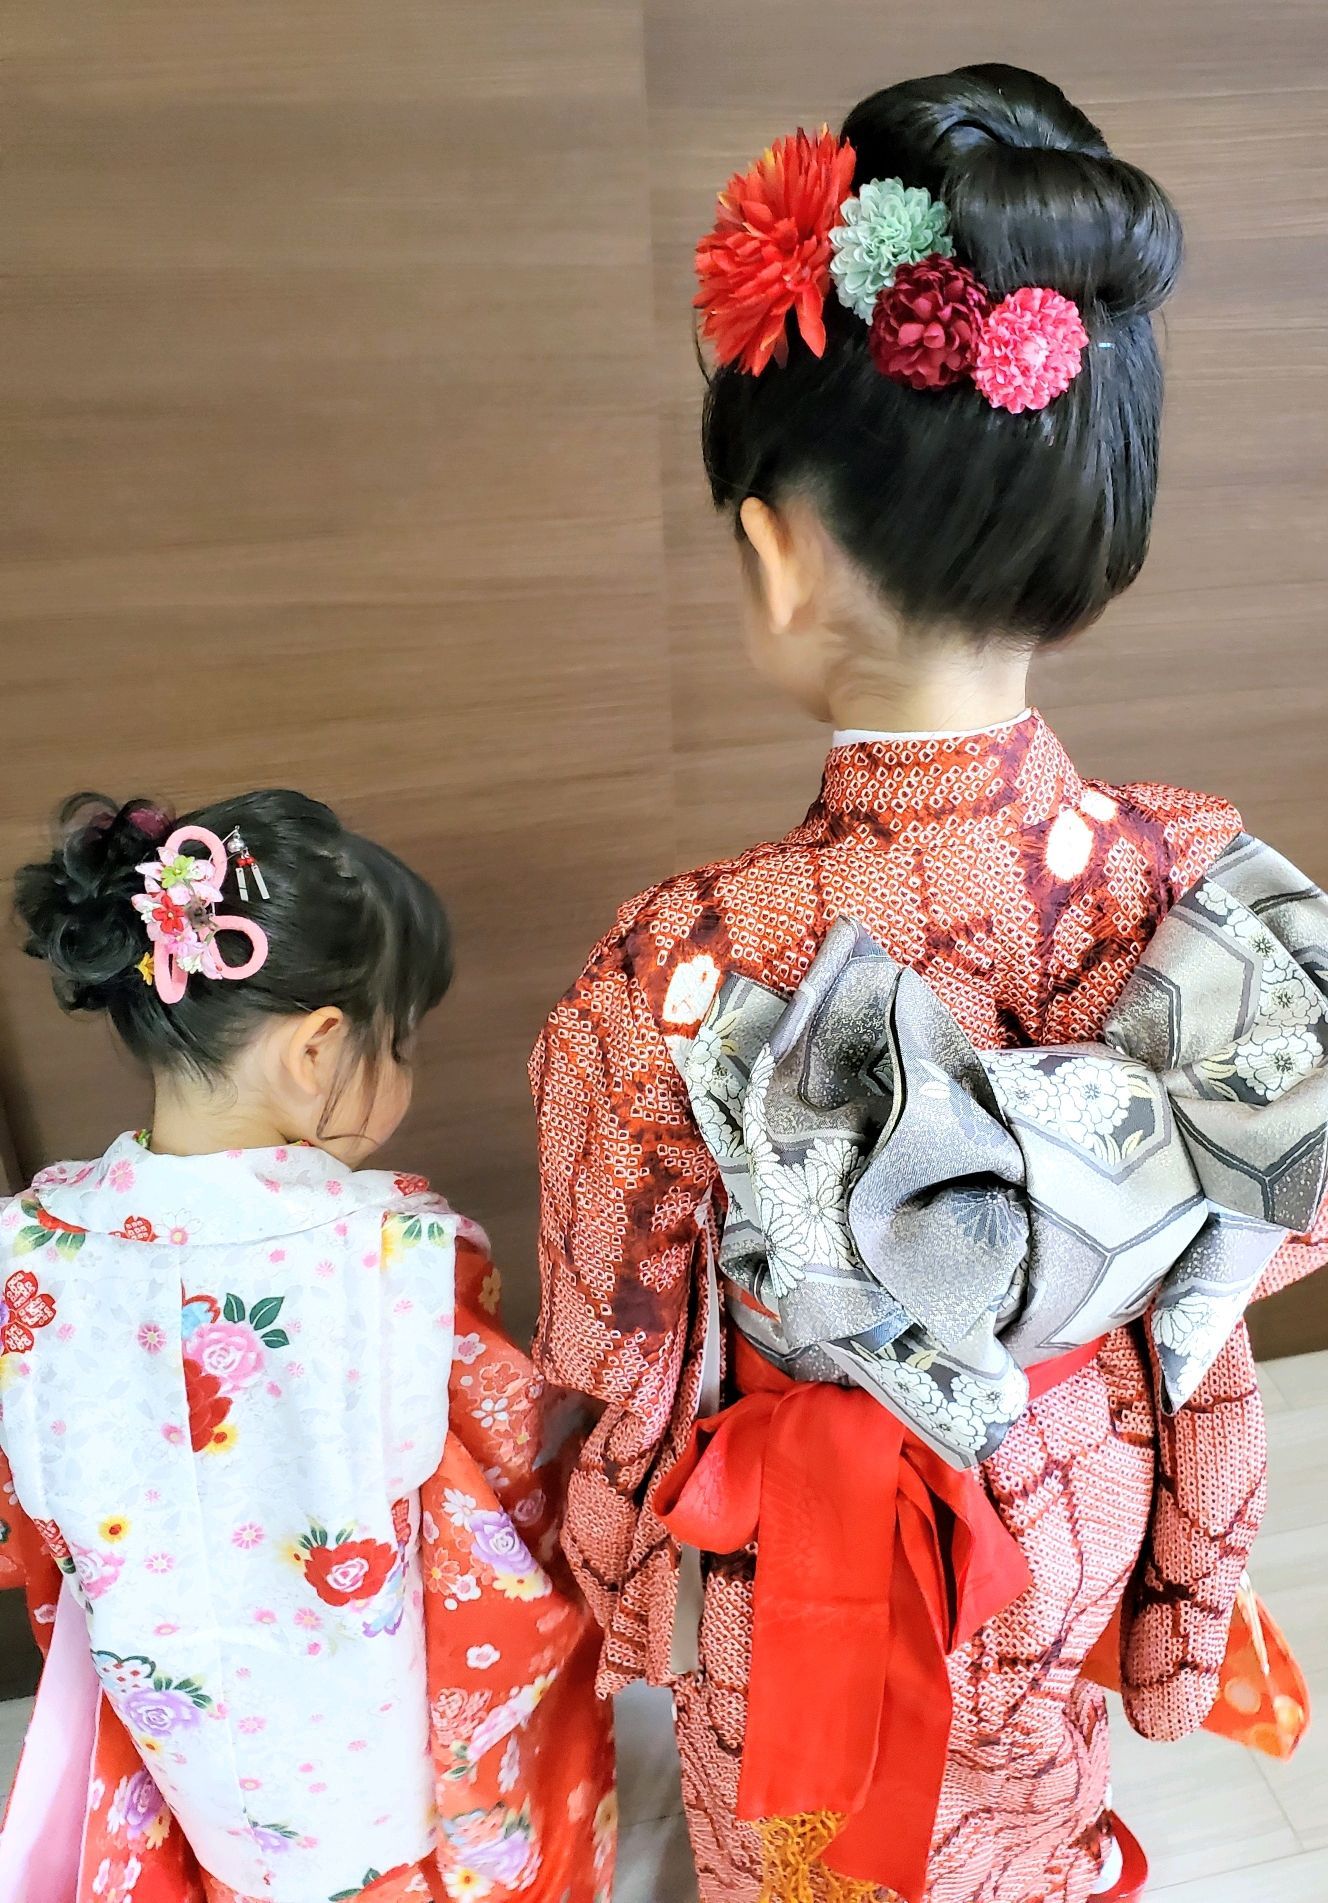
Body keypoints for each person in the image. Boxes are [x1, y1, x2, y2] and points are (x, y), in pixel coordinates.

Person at [531, 63, 1328, 1903]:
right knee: (1028, 1784)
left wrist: (622, 1565)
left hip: (821, 1547)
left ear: (775, 550)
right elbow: (1278, 1208)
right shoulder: (1204, 878)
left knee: (813, 1830)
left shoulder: (677, 967)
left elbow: (611, 1360)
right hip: (1087, 1497)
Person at [0, 790, 615, 1903]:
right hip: (372, 1757)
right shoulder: (397, 1258)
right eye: (399, 1041)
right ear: (318, 1048)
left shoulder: (29, 1249)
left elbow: (32, 1528)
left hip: (178, 1744)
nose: (405, 1069)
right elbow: (511, 1514)